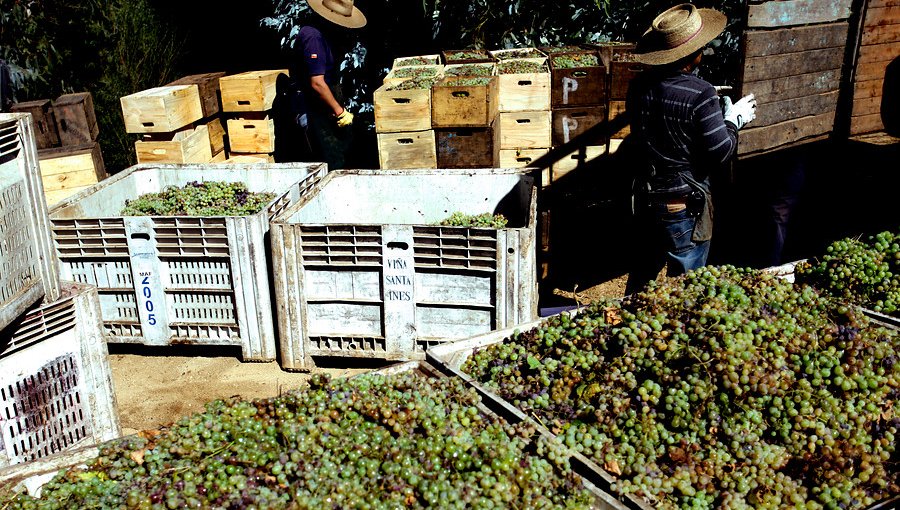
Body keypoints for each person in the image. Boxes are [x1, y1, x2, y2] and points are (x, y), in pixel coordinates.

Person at [623, 3, 757, 296]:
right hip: (683, 203)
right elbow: (720, 151)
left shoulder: (639, 87)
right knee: (688, 283)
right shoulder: (701, 94)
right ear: (691, 55)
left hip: (647, 196)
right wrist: (733, 121)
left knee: (642, 275)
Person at [289, 0, 365, 169]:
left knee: (343, 154)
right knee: (329, 162)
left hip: (326, 102)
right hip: (314, 106)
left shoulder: (324, 34)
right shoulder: (313, 37)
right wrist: (340, 112)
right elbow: (317, 83)